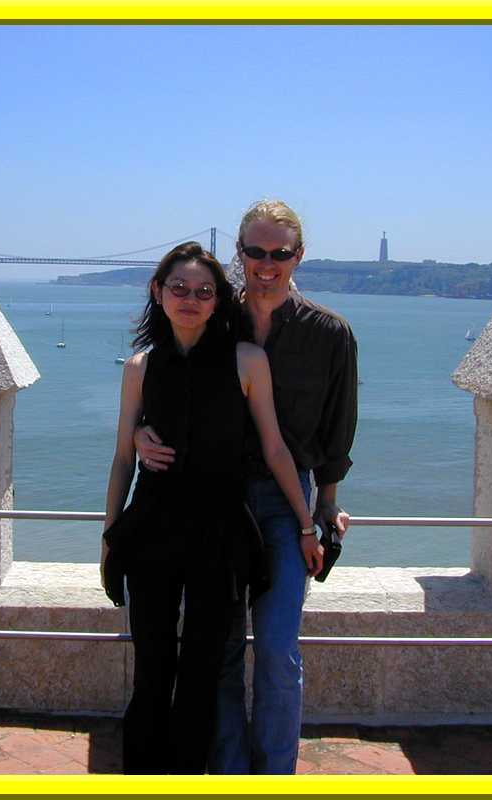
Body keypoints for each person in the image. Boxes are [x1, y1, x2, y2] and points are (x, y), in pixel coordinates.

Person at [135, 200, 358, 774]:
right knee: (223, 652)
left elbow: (337, 431)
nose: (266, 263)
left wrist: (324, 509)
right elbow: (167, 375)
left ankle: (274, 777)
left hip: (286, 506)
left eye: (279, 253)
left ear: (298, 256)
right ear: (239, 252)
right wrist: (139, 431)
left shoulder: (330, 334)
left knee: (279, 651)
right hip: (223, 504)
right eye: (254, 251)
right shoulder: (215, 312)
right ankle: (231, 774)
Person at [101, 241, 317, 775]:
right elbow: (123, 458)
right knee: (152, 672)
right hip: (152, 533)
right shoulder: (140, 366)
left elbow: (273, 447)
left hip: (219, 538)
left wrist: (308, 522)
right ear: (158, 292)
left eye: (203, 291)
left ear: (219, 300)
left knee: (201, 673)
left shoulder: (248, 361)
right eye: (178, 288)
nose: (190, 299)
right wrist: (109, 539)